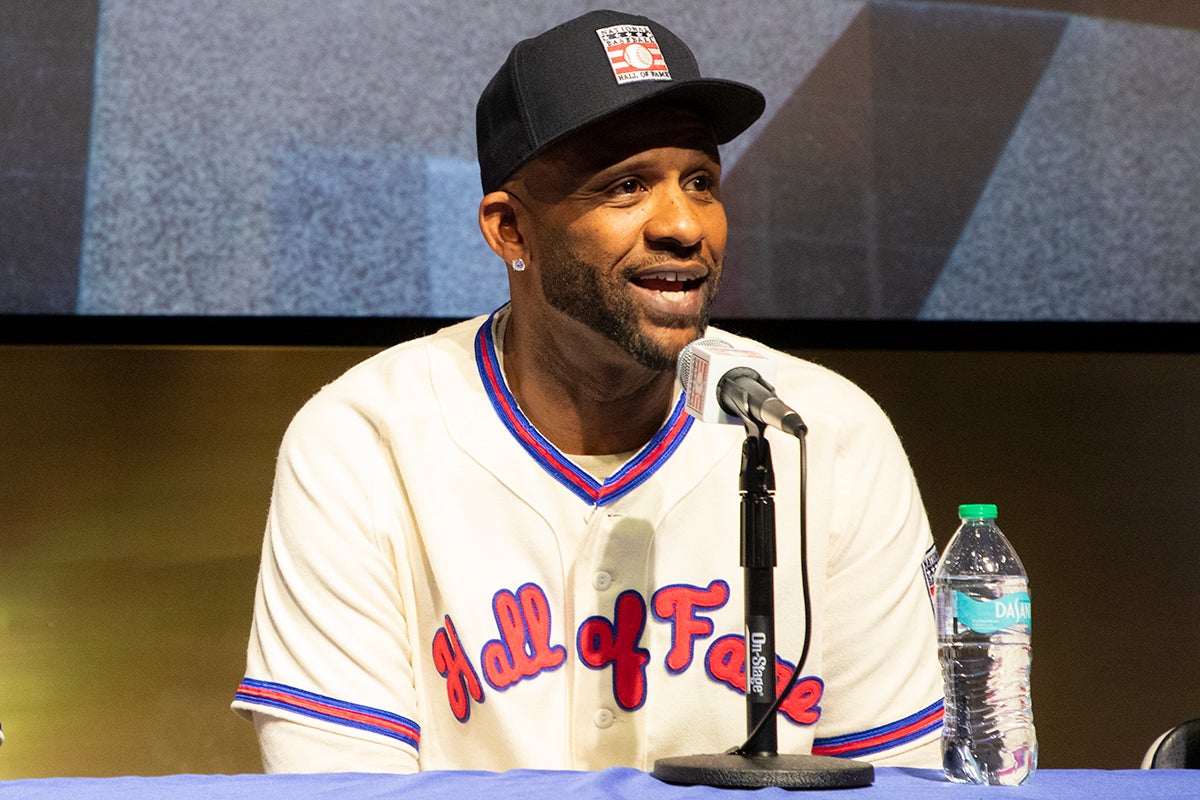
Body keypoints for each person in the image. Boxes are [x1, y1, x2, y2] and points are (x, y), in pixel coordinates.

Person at [233, 8, 944, 773]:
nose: (683, 224)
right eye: (627, 185)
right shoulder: (362, 440)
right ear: (511, 232)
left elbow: (899, 781)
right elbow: (342, 789)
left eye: (701, 181)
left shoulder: (822, 430)